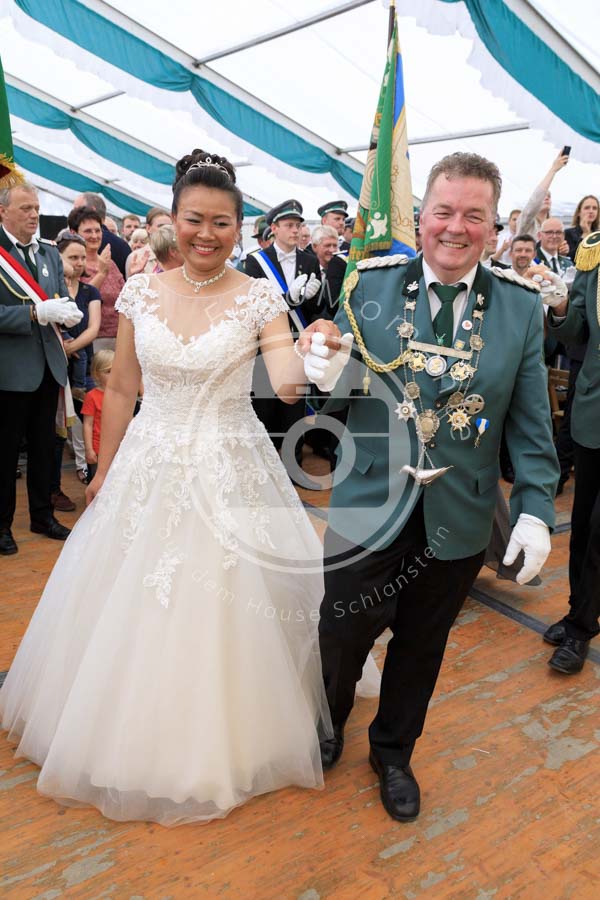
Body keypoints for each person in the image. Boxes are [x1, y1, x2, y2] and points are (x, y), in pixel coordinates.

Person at [0, 150, 378, 825]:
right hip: (149, 462)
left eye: (222, 223)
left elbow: (286, 384)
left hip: (232, 465)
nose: (207, 234)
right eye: (195, 220)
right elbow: (123, 387)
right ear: (173, 221)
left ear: (240, 226)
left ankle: (232, 736)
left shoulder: (259, 297)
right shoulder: (142, 293)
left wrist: (321, 354)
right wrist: (104, 467)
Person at [303, 152, 559, 822]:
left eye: (473, 215)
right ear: (421, 220)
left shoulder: (519, 307)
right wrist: (325, 370)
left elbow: (532, 426)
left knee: (422, 644)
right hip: (369, 502)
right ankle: (328, 721)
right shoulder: (371, 284)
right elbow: (343, 383)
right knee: (342, 628)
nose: (455, 227)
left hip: (459, 512)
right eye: (443, 211)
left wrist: (534, 510)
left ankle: (392, 751)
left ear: (494, 226)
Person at [0, 182, 82, 555]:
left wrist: (67, 310)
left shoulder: (48, 252)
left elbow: (57, 297)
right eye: (25, 208)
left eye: (36, 208)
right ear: (3, 211)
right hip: (10, 370)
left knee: (45, 449)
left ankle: (42, 515)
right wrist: (33, 313)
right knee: (5, 454)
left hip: (49, 366)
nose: (34, 214)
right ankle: (2, 526)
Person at [544, 231, 600, 673]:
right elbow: (578, 330)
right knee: (581, 525)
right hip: (594, 413)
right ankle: (578, 609)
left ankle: (582, 627)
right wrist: (561, 306)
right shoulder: (593, 253)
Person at [244, 199, 322, 475]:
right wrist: (289, 299)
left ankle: (294, 466)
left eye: (298, 225)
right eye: (289, 225)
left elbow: (316, 309)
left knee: (294, 409)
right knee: (264, 406)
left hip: (298, 345)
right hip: (267, 346)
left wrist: (311, 298)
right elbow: (254, 306)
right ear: (274, 228)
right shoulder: (256, 262)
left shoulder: (309, 260)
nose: (295, 230)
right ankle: (263, 469)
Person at [55, 231, 102, 490]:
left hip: (84, 364)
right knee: (63, 424)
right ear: (59, 258)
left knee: (88, 417)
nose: (79, 262)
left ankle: (89, 466)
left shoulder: (89, 291)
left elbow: (93, 328)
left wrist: (72, 346)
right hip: (57, 365)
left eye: (83, 257)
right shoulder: (52, 289)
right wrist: (63, 345)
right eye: (73, 257)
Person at [68, 206, 124, 352]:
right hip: (91, 342)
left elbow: (124, 299)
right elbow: (79, 301)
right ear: (73, 233)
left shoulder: (110, 263)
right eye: (88, 231)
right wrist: (101, 274)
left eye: (98, 230)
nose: (94, 236)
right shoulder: (72, 265)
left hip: (119, 338)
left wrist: (134, 275)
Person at [72, 193, 131, 279]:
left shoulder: (73, 242)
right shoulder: (123, 245)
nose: (94, 236)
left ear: (91, 211)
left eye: (77, 210)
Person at [82, 349, 113, 483]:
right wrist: (89, 450)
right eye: (108, 371)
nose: (113, 375)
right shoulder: (92, 396)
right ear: (96, 374)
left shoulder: (120, 395)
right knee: (97, 483)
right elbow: (87, 425)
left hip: (117, 448)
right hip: (98, 449)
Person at [564, 195, 599, 261]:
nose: (591, 211)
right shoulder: (568, 233)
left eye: (594, 208)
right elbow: (571, 258)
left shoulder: (598, 234)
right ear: (579, 212)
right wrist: (585, 234)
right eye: (587, 208)